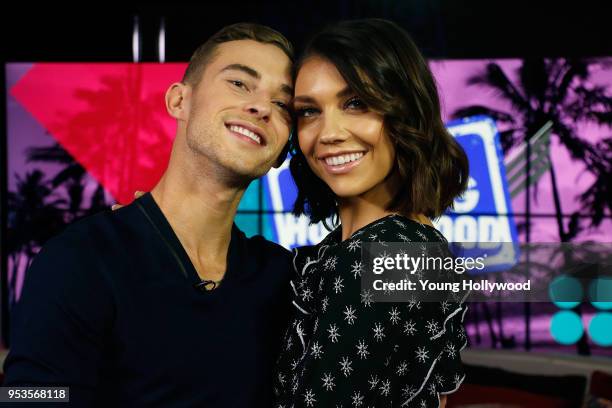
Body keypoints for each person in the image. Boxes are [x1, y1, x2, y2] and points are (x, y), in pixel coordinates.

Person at [3, 23, 295, 407]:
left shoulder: (285, 277)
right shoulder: (82, 258)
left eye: (283, 104)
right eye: (240, 83)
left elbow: (389, 289)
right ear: (179, 101)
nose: (261, 107)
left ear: (281, 151)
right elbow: (29, 397)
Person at [273, 19, 470, 407]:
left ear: (405, 112)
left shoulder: (390, 253)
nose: (329, 132)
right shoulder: (393, 245)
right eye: (309, 111)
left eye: (356, 103)